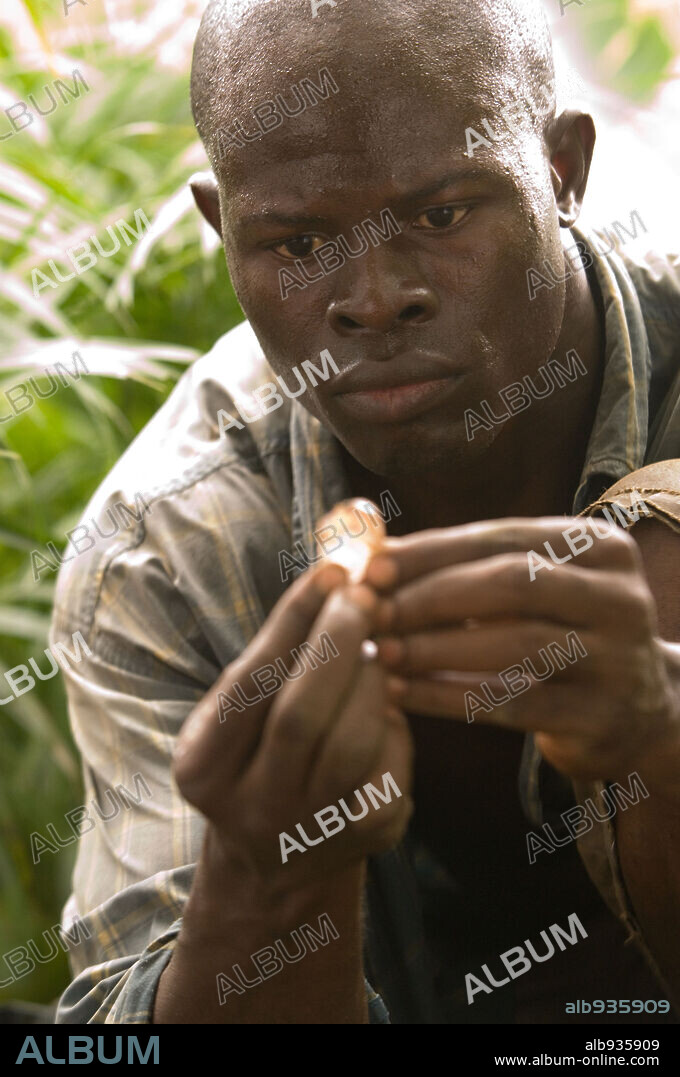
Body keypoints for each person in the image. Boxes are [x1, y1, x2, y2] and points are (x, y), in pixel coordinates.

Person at [52, 0, 680, 1023]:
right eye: (298, 241)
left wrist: (662, 738)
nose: (374, 298)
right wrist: (270, 875)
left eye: (441, 216)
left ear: (562, 168)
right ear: (222, 230)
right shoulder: (164, 550)